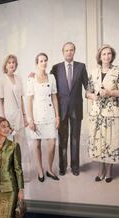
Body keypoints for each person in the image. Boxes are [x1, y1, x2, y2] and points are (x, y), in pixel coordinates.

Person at [86, 44, 119, 182]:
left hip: (111, 112)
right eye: (104, 54)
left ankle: (109, 171)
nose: (106, 56)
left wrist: (109, 93)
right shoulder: (93, 71)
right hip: (96, 113)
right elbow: (87, 92)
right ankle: (100, 170)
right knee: (98, 141)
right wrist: (92, 96)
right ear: (100, 56)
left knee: (111, 140)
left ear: (112, 56)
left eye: (109, 53)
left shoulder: (118, 70)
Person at [50, 42, 89, 176]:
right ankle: (62, 167)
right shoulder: (56, 68)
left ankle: (75, 167)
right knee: (63, 139)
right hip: (61, 110)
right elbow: (47, 83)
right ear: (63, 52)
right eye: (66, 50)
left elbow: (88, 86)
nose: (69, 52)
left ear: (74, 51)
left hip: (76, 108)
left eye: (71, 50)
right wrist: (34, 76)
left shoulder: (81, 67)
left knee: (75, 138)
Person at [26, 53, 60, 182]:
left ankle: (49, 169)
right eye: (41, 61)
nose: (44, 63)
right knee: (37, 143)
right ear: (37, 63)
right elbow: (29, 100)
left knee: (52, 143)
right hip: (37, 115)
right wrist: (30, 120)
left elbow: (54, 97)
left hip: (50, 115)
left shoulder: (51, 78)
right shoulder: (31, 79)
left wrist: (57, 116)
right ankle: (40, 170)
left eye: (45, 60)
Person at [0, 54, 28, 142]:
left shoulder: (19, 79)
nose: (11, 64)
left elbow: (21, 99)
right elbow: (0, 102)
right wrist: (3, 120)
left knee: (20, 145)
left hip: (19, 116)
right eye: (9, 62)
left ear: (16, 65)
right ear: (5, 65)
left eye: (13, 62)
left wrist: (25, 116)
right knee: (8, 145)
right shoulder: (1, 80)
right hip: (8, 117)